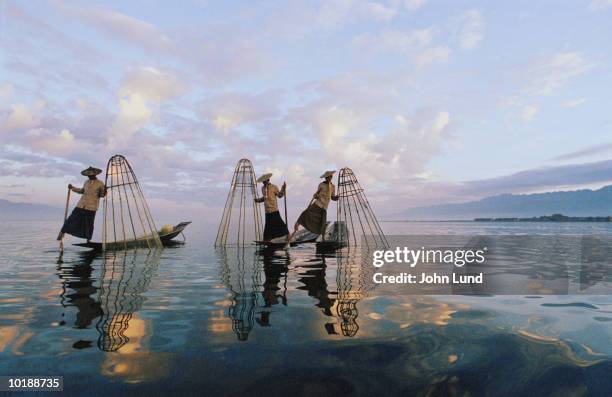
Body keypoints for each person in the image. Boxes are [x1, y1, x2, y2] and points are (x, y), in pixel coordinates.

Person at [57, 166, 107, 243]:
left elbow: (102, 195)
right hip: (81, 205)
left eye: (91, 175)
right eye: (88, 175)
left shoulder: (100, 183)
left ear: (95, 175)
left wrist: (105, 190)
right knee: (71, 219)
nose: (89, 176)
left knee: (89, 224)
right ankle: (62, 232)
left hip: (92, 207)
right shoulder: (86, 182)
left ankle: (88, 240)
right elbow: (82, 191)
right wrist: (72, 188)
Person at [289, 170, 339, 242]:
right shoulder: (321, 185)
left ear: (331, 177)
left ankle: (323, 238)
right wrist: (315, 195)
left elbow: (332, 197)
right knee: (306, 212)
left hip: (324, 207)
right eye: (327, 177)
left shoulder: (333, 186)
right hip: (318, 204)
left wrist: (336, 198)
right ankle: (297, 223)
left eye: (330, 177)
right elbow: (316, 194)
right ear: (325, 178)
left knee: (322, 222)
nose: (328, 178)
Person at [254, 173, 289, 242]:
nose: (264, 183)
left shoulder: (273, 187)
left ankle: (287, 236)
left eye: (265, 181)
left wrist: (283, 189)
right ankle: (268, 240)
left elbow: (280, 195)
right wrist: (258, 200)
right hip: (267, 211)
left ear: (268, 180)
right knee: (268, 227)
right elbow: (264, 198)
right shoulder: (263, 188)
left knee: (280, 224)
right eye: (263, 182)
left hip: (274, 209)